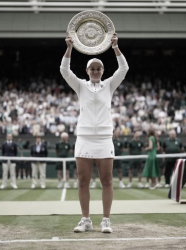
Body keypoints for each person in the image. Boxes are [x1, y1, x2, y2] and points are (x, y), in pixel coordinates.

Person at [60, 32, 128, 233]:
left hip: (105, 138)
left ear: (103, 70)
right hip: (84, 137)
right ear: (87, 70)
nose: (96, 71)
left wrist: (115, 47)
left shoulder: (109, 84)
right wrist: (69, 47)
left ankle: (106, 220)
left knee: (107, 180)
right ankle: (86, 219)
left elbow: (124, 68)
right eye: (92, 69)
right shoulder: (80, 85)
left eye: (99, 68)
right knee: (83, 180)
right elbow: (64, 70)